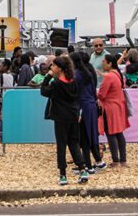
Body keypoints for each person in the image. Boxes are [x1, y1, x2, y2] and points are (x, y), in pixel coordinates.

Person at [40, 55, 89, 186]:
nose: (52, 67)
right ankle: (82, 170)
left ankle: (63, 175)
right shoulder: (73, 81)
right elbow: (78, 98)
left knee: (61, 145)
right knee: (74, 143)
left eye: (54, 66)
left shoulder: (56, 84)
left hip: (61, 117)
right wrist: (78, 112)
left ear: (60, 68)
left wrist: (48, 76)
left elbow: (43, 91)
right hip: (73, 115)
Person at [69, 51, 105, 173]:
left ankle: (87, 166)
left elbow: (76, 94)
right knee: (90, 135)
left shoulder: (77, 75)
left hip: (83, 107)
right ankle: (94, 163)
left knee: (84, 137)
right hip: (90, 106)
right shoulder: (89, 73)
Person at [98, 54, 130, 166]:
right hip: (118, 106)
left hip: (109, 108)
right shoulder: (117, 74)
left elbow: (101, 94)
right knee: (119, 133)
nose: (102, 63)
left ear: (109, 63)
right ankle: (123, 160)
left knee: (111, 133)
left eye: (104, 61)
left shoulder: (109, 77)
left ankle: (115, 160)